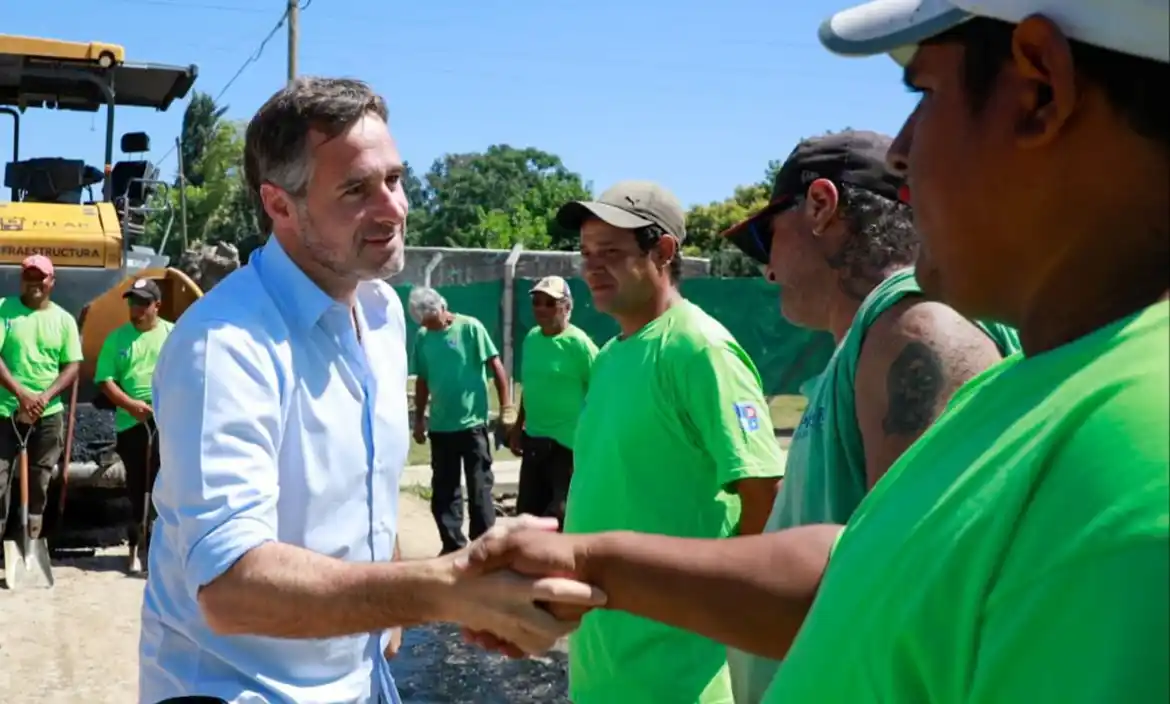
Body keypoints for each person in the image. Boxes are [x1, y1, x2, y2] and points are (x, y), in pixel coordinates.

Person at [463, 3, 1169, 703]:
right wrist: (586, 561)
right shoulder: (1040, 389)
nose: (902, 150)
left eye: (925, 92)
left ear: (1039, 89)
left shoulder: (1130, 449)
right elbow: (865, 567)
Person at [138, 77, 603, 704]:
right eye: (356, 189)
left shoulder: (382, 315)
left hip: (361, 681)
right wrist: (445, 586)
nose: (393, 208)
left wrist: (390, 605)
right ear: (279, 205)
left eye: (394, 178)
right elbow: (229, 588)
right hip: (241, 689)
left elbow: (367, 496)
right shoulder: (224, 345)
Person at [719, 129, 1020, 702]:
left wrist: (610, 570)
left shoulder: (912, 327)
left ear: (821, 205)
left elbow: (919, 600)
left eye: (765, 238)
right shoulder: (873, 341)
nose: (766, 270)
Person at [553, 181, 786, 703]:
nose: (591, 267)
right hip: (603, 661)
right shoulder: (610, 356)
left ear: (662, 252)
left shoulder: (699, 349)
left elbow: (763, 493)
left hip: (677, 675)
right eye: (586, 254)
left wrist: (719, 607)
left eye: (610, 253)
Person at [409, 287, 512, 554]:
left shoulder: (470, 328)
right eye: (424, 325)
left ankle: (483, 547)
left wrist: (507, 407)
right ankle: (452, 546)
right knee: (444, 492)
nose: (429, 328)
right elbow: (422, 380)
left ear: (442, 309)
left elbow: (496, 366)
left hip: (472, 425)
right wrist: (419, 419)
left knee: (479, 489)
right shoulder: (422, 337)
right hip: (441, 428)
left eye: (432, 323)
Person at [0, 254, 81, 545]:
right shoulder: (3, 310)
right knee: (0, 480)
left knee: (39, 479)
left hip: (48, 414)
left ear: (51, 281)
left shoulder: (64, 320)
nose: (34, 282)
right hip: (5, 410)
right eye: (29, 276)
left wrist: (43, 397)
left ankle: (31, 540)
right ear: (22, 279)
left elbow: (72, 365)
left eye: (41, 277)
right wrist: (21, 395)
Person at [94, 277, 173, 574]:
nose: (136, 308)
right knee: (137, 486)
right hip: (131, 423)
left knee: (165, 485)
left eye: (142, 303)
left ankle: (159, 546)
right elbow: (105, 379)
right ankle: (135, 544)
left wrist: (166, 403)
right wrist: (130, 405)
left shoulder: (173, 334)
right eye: (132, 302)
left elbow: (187, 371)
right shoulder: (117, 338)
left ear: (157, 306)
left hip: (166, 421)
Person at [508, 275, 598, 527]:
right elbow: (532, 387)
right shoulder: (532, 339)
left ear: (567, 307)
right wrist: (518, 426)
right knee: (527, 513)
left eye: (550, 303)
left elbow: (601, 392)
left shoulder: (579, 345)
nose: (541, 309)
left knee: (560, 515)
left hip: (568, 445)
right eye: (537, 302)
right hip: (536, 441)